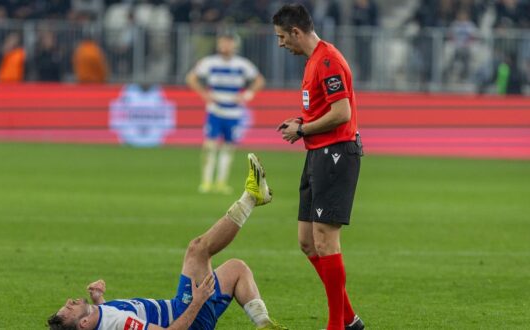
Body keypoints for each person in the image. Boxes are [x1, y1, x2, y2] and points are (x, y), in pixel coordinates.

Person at [47, 154, 287, 330]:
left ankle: (264, 324)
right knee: (197, 250)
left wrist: (100, 299)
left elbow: (108, 318)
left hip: (184, 309)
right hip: (187, 315)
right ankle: (251, 197)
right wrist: (198, 301)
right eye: (69, 309)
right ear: (84, 323)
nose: (70, 302)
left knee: (236, 269)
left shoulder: (102, 317)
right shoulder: (120, 324)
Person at [272, 4, 364, 330]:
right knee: (307, 241)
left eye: (283, 37)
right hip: (318, 154)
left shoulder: (328, 61)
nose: (281, 44)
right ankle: (350, 318)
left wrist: (303, 129)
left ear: (296, 32)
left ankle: (336, 325)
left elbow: (342, 113)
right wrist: (302, 121)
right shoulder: (314, 62)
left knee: (326, 240)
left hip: (336, 154)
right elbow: (325, 109)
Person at [186, 33, 265, 194]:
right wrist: (204, 94)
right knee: (210, 145)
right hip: (215, 110)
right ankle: (206, 182)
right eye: (222, 43)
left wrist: (247, 95)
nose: (224, 46)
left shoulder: (242, 65)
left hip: (233, 112)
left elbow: (259, 80)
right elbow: (191, 78)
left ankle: (221, 182)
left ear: (234, 45)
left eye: (228, 43)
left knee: (228, 147)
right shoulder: (210, 62)